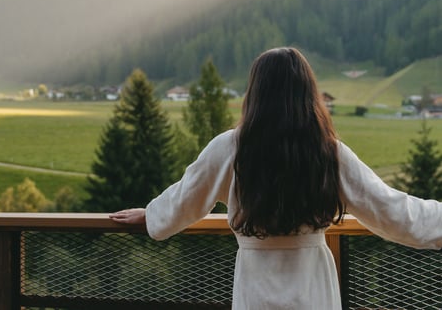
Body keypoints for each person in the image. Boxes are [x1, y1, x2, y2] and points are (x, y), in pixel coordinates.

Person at [110, 47, 442, 310]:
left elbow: (186, 198)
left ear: (255, 93)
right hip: (312, 285)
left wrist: (151, 216)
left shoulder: (229, 148)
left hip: (256, 287)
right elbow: (388, 208)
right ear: (307, 92)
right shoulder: (328, 152)